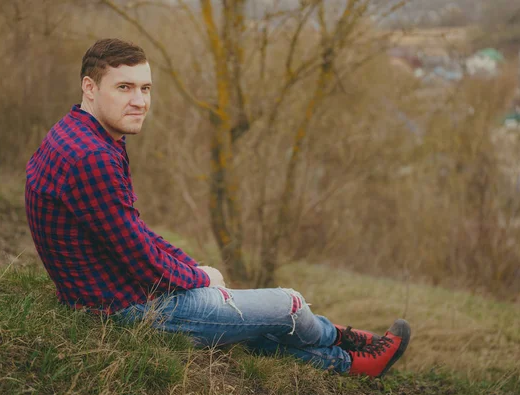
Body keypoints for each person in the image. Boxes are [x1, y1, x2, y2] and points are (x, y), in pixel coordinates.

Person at [25, 38, 410, 377]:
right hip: (123, 308)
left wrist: (189, 265)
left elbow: (131, 230)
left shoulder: (79, 132)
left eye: (145, 88)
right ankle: (343, 339)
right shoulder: (93, 158)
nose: (140, 101)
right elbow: (140, 259)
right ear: (89, 87)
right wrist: (200, 279)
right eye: (124, 87)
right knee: (287, 305)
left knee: (252, 328)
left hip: (104, 294)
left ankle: (352, 363)